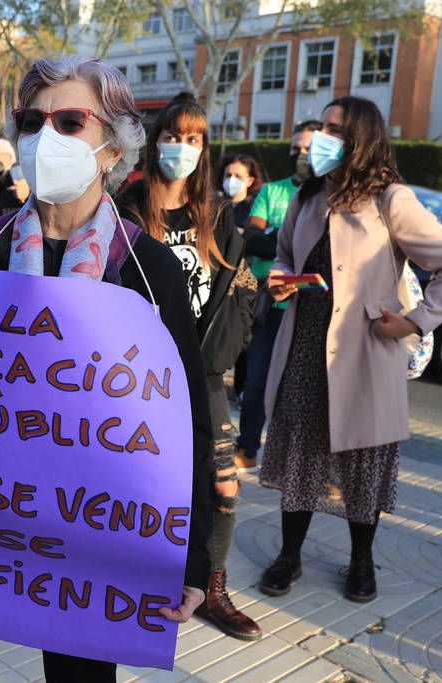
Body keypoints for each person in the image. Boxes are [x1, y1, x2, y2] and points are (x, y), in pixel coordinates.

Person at [0, 56, 213, 682]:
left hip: (90, 539)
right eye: (32, 121)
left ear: (112, 148)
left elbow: (186, 420)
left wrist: (191, 562)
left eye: (69, 120)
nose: (43, 137)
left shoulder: (149, 269)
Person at [258, 96, 442, 603]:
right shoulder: (308, 196)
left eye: (334, 129)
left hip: (367, 353)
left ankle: (361, 562)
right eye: (322, 128)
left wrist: (415, 322)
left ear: (361, 138)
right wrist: (279, 281)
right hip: (305, 350)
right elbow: (286, 255)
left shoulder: (390, 199)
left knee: (363, 464)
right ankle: (289, 555)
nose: (321, 139)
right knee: (301, 460)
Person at [117, 92, 259, 642]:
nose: (181, 148)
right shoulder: (128, 209)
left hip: (203, 376)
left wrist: (227, 345)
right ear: (155, 143)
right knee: (141, 481)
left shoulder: (217, 215)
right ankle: (137, 577)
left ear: (205, 148)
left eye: (194, 139)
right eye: (172, 136)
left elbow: (242, 289)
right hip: (137, 379)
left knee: (222, 487)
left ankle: (211, 584)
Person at [234, 120, 321, 474]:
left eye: (308, 149)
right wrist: (292, 239)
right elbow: (252, 240)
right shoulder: (273, 191)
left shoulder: (331, 195)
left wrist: (278, 235)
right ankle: (249, 447)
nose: (300, 155)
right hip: (272, 305)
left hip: (313, 306)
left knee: (305, 388)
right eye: (295, 148)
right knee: (256, 379)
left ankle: (299, 460)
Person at [217, 153, 262, 230]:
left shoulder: (256, 207)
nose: (232, 180)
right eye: (228, 175)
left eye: (238, 176)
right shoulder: (213, 204)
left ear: (250, 181)